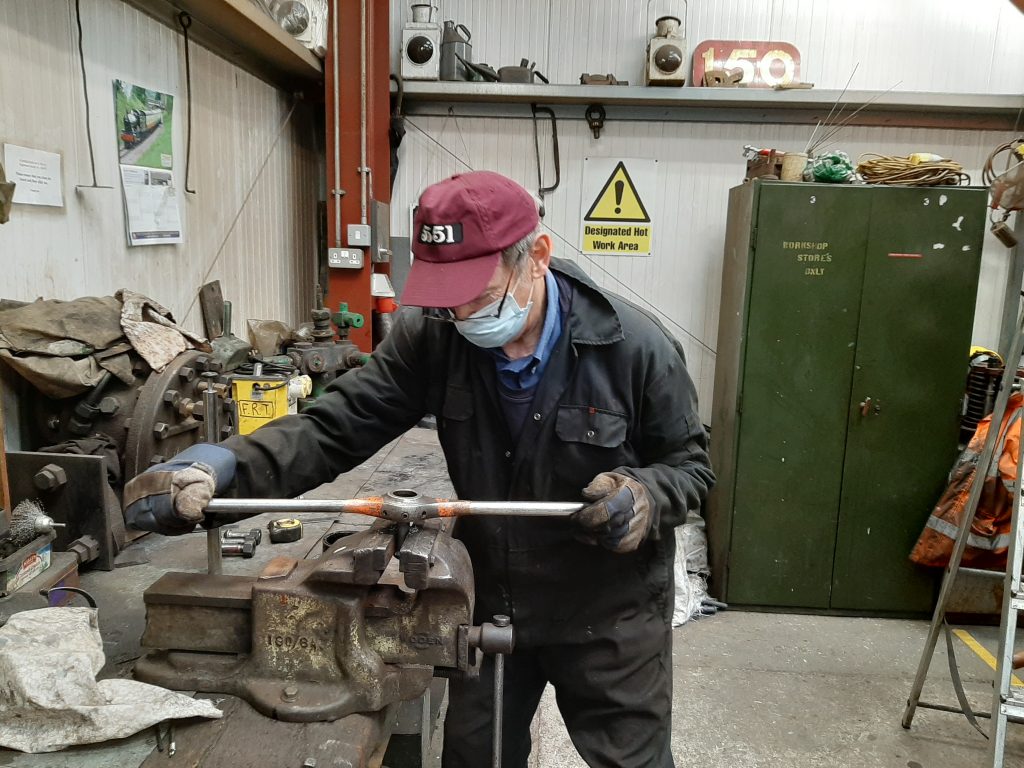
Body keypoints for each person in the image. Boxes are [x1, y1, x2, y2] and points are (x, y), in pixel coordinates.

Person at [124, 170, 714, 768]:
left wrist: (643, 497)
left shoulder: (634, 347)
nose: (462, 316)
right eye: (447, 300)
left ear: (536, 256)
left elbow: (690, 467)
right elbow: (337, 425)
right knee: (473, 759)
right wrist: (222, 467)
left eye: (479, 298)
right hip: (489, 602)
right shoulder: (436, 335)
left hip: (607, 612)